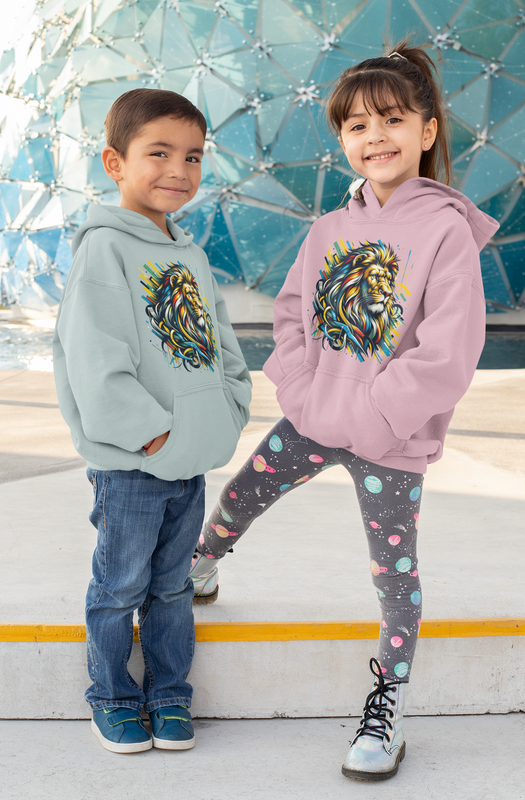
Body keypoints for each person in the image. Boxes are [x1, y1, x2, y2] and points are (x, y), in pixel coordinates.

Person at [189, 41, 498, 779]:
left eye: (392, 120)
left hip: (391, 439)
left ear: (426, 130)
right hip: (313, 415)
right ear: (341, 141)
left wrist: (377, 413)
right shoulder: (329, 227)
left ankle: (386, 705)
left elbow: (449, 351)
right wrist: (302, 391)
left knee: (394, 574)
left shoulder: (447, 231)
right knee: (241, 494)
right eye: (357, 126)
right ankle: (203, 564)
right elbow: (290, 315)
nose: (374, 137)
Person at [53, 89, 251, 754]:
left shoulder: (189, 254)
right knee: (119, 589)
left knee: (171, 589)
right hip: (133, 466)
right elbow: (94, 358)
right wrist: (153, 436)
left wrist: (227, 409)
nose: (178, 170)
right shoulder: (104, 250)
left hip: (189, 460)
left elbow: (222, 345)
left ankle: (169, 693)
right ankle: (111, 695)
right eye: (159, 153)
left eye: (192, 156)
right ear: (115, 162)